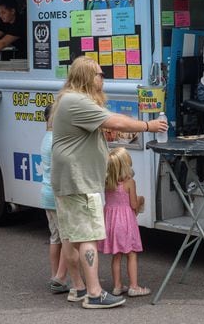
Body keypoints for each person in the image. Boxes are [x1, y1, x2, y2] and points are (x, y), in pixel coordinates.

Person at [51, 56, 167, 309]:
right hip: (80, 180)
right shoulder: (77, 100)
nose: (102, 78)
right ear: (85, 77)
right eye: (99, 74)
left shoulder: (68, 99)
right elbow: (114, 120)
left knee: (72, 237)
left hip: (69, 179)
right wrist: (148, 125)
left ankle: (78, 288)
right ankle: (94, 294)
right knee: (89, 236)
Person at [39, 104, 89, 300]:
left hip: (46, 194)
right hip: (57, 194)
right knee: (69, 237)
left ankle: (56, 276)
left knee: (56, 237)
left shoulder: (46, 139)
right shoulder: (56, 141)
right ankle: (61, 278)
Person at [98, 147, 150, 297]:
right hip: (126, 223)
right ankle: (134, 286)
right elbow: (133, 205)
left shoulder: (107, 182)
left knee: (116, 255)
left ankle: (117, 286)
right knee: (131, 253)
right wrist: (140, 200)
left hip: (111, 223)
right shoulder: (129, 183)